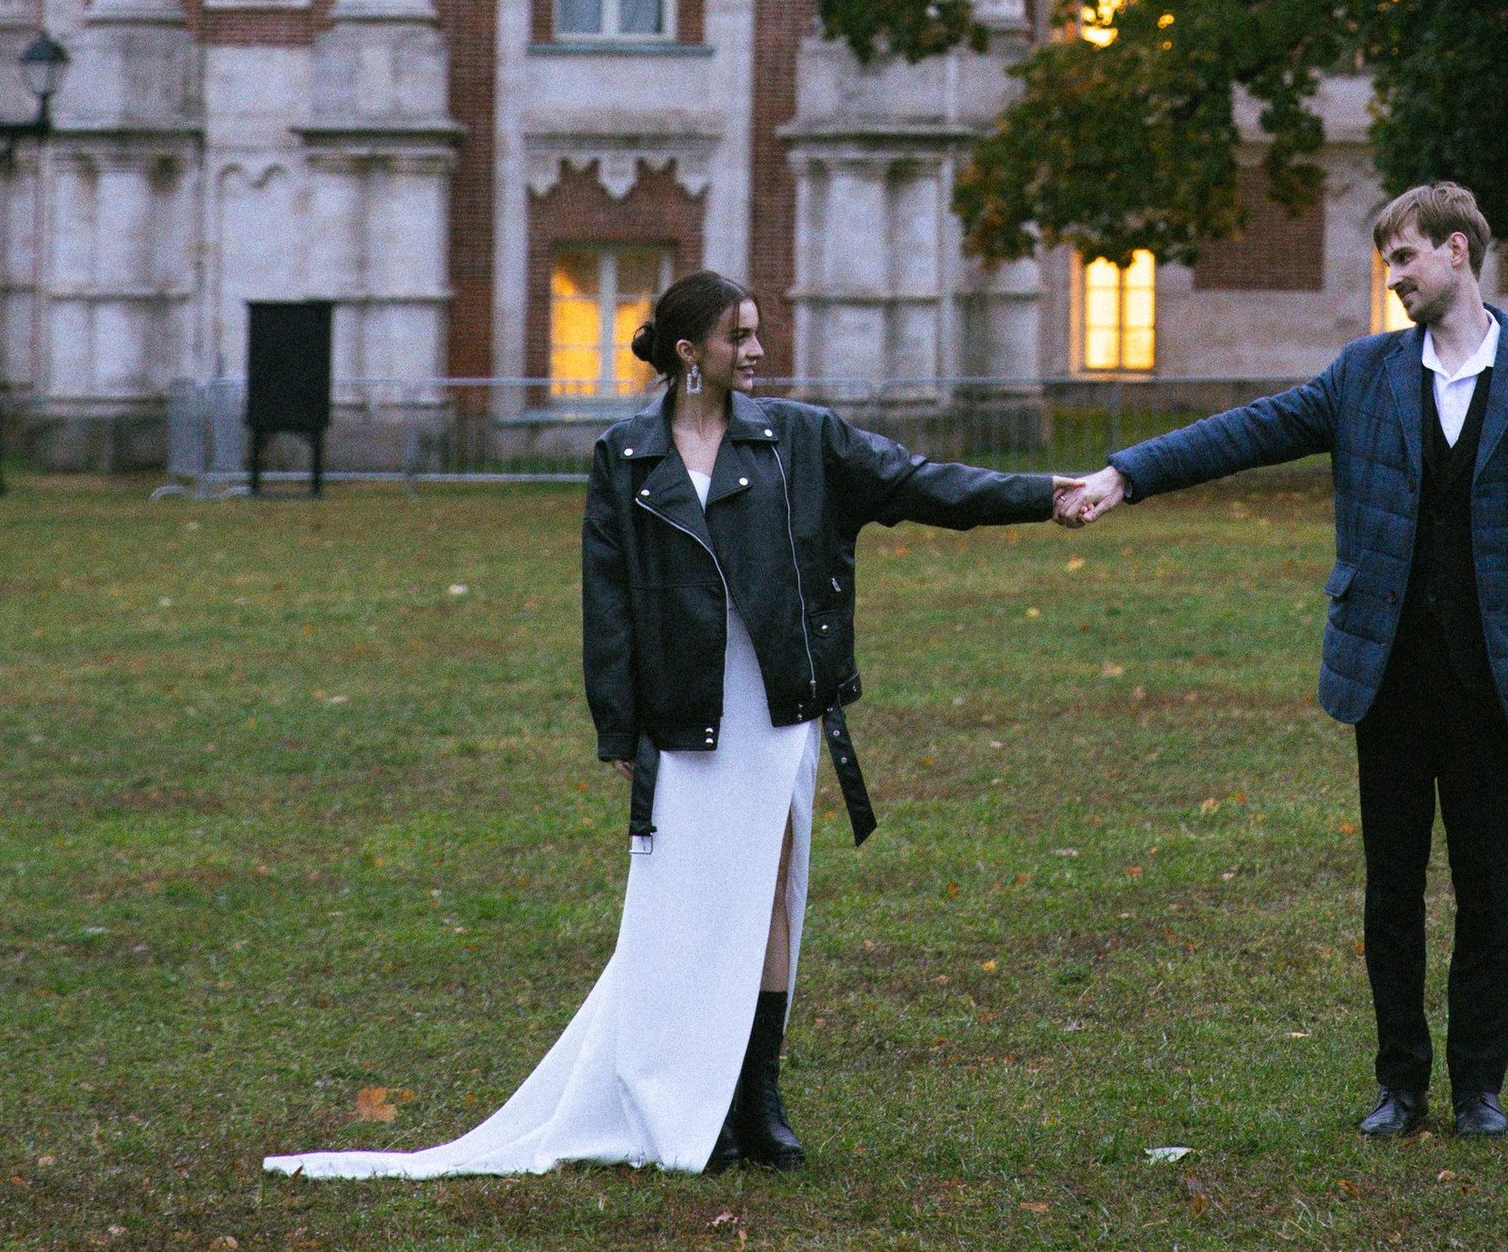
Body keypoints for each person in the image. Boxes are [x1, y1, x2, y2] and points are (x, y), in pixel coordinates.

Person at [267, 270, 1065, 1187]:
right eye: (740, 337)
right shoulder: (627, 454)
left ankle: (756, 1101)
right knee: (681, 911)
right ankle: (688, 1100)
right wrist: (620, 731)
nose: (758, 351)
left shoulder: (800, 439)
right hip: (685, 714)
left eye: (759, 334)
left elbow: (924, 484)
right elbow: (605, 602)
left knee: (769, 894)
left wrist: (1045, 493)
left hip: (776, 707)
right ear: (690, 353)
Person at [1058, 182, 1508, 1139]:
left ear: (1456, 253)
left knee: (1489, 885)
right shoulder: (1364, 376)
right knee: (1390, 888)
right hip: (1386, 674)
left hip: (1497, 681)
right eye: (1386, 262)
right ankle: (1400, 1086)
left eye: (1403, 258)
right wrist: (1127, 473)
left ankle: (1479, 1087)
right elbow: (1248, 432)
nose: (1392, 278)